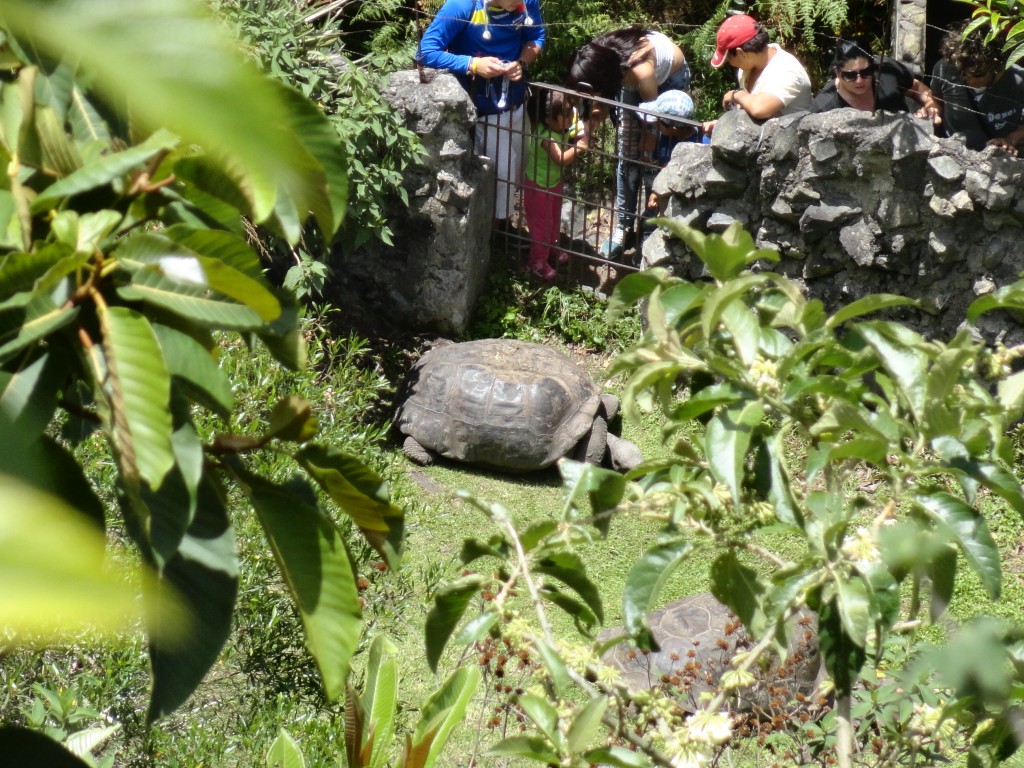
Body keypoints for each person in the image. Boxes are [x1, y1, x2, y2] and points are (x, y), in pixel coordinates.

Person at [418, 0, 545, 231]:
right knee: (496, 176)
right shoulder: (462, 6)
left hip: (516, 103)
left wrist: (523, 63)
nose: (520, 4)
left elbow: (536, 36)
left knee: (513, 172)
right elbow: (426, 51)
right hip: (481, 112)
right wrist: (472, 64)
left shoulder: (526, 2)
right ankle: (491, 235)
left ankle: (500, 230)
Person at [567, 27, 691, 258]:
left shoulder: (640, 72)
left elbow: (651, 123)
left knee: (654, 158)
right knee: (626, 151)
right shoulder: (600, 56)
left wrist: (647, 143)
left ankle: (650, 229)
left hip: (665, 82)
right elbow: (593, 104)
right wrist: (585, 131)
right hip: (629, 78)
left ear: (602, 81)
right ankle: (624, 226)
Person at [705, 14, 811, 134]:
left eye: (729, 58)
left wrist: (736, 95)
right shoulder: (746, 68)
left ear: (741, 53)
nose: (731, 64)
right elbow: (748, 111)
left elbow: (759, 109)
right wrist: (721, 125)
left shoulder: (787, 71)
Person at [522, 91, 590, 280]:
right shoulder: (546, 137)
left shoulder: (562, 128)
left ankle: (551, 250)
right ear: (549, 120)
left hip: (552, 183)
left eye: (570, 113)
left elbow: (578, 126)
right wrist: (578, 148)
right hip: (538, 188)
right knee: (540, 227)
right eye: (566, 114)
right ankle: (537, 263)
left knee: (553, 220)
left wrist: (582, 130)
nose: (571, 118)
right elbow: (560, 159)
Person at [931, 23, 1024, 155]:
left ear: (996, 67)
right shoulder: (945, 69)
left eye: (977, 75)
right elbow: (935, 100)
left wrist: (1010, 139)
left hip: (997, 162)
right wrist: (932, 110)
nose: (968, 80)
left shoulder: (1019, 80)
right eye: (962, 73)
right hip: (952, 159)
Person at [810, 39, 941, 123]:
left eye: (866, 72)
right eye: (850, 76)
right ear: (837, 73)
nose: (859, 80)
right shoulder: (823, 108)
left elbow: (917, 88)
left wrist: (931, 107)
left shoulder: (887, 72)